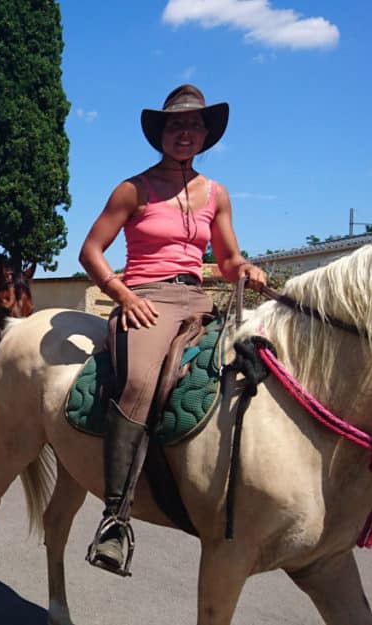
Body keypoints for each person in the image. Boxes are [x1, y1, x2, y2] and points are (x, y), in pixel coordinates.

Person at [78, 84, 267, 574]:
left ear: (207, 134)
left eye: (195, 125)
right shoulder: (133, 189)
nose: (186, 133)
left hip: (199, 301)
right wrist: (124, 296)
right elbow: (91, 251)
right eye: (176, 125)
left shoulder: (217, 194)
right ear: (161, 133)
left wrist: (244, 268)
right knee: (140, 382)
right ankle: (115, 519)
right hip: (146, 300)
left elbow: (225, 259)